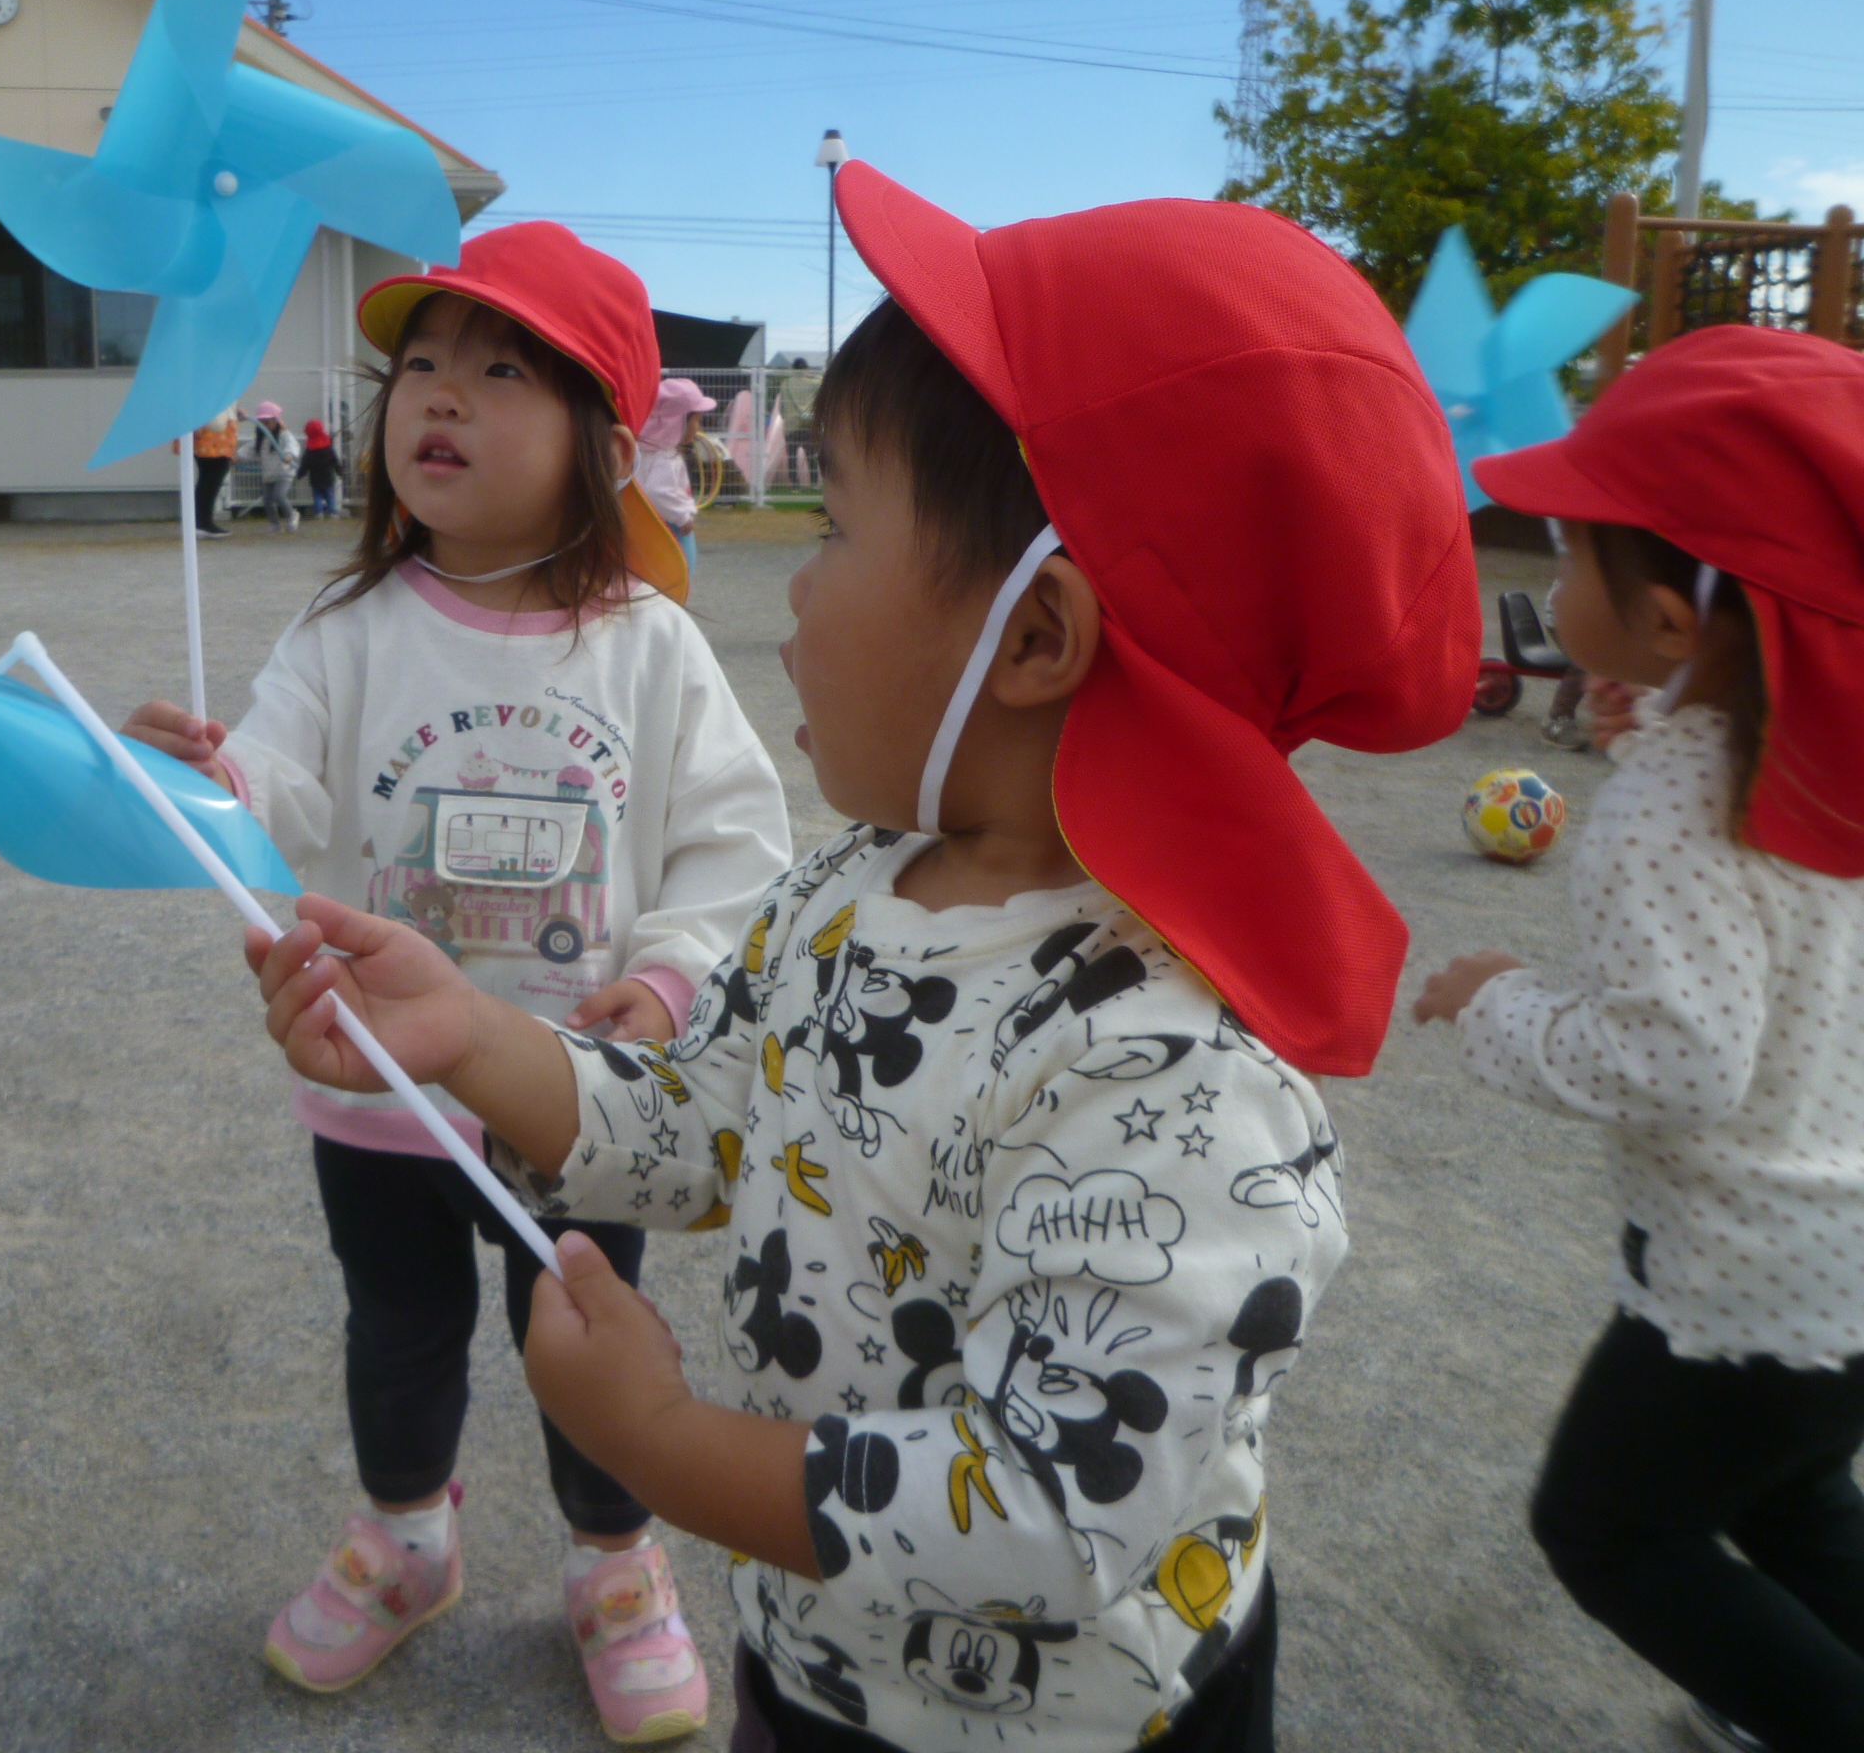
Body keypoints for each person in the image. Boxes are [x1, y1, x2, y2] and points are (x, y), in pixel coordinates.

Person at [246, 170, 1478, 1752]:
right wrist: (475, 1036)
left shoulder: (1165, 1069)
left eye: (833, 527)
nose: (794, 585)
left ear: (1035, 639)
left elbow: (1050, 1512)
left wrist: (661, 1444)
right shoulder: (848, 887)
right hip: (816, 1652)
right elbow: (703, 1126)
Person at [122, 222, 792, 1740]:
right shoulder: (347, 626)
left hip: (578, 1098)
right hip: (377, 1085)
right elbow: (279, 777)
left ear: (599, 442)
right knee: (397, 1327)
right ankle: (407, 1539)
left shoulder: (653, 647)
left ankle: (613, 1561)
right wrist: (220, 782)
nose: (437, 394)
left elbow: (738, 845)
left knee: (589, 1343)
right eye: (419, 365)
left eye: (499, 373)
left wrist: (669, 984)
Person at [1415, 327, 1864, 1753]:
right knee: (1790, 1502)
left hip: (1745, 1276)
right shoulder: (1810, 759)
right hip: (1841, 1270)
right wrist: (1659, 723)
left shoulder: (1671, 811)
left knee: (1609, 1529)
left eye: (1564, 555)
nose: (1543, 586)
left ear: (1671, 623)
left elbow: (1677, 1060)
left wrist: (1496, 997)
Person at [633, 377, 715, 575]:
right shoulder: (667, 458)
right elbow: (657, 491)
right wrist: (682, 518)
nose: (699, 428)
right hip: (672, 528)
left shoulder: (638, 452)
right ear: (677, 422)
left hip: (643, 527)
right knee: (681, 575)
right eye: (696, 421)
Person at [191, 404, 240, 539]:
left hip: (203, 436)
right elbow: (217, 425)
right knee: (211, 481)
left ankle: (199, 523)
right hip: (216, 438)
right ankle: (203, 524)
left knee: (206, 480)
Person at [255, 401, 302, 533]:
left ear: (276, 421)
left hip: (284, 472)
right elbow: (251, 450)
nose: (265, 425)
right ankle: (274, 524)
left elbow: (292, 445)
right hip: (269, 474)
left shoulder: (284, 434)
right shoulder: (261, 438)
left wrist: (289, 455)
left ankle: (292, 515)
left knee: (279, 495)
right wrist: (237, 456)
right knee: (267, 500)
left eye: (268, 422)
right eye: (262, 423)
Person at [301, 417, 343, 518]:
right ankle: (333, 512)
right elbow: (335, 461)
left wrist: (300, 474)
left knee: (317, 496)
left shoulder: (309, 450)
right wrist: (339, 471)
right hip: (328, 477)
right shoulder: (328, 448)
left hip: (315, 478)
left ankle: (319, 513)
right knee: (330, 496)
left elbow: (305, 464)